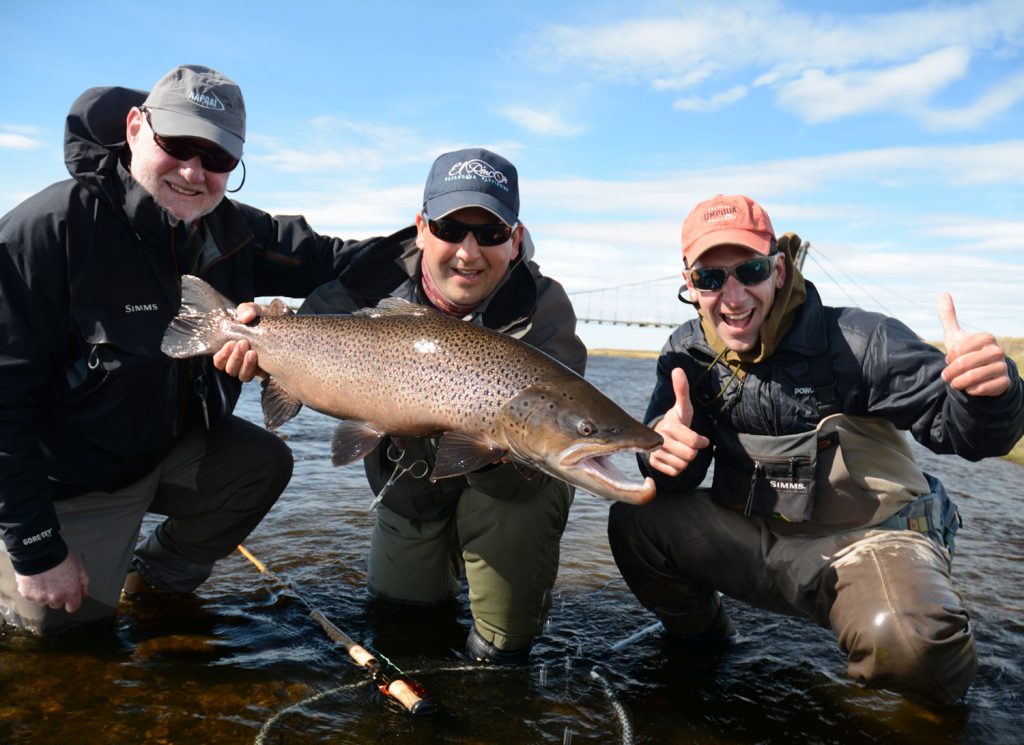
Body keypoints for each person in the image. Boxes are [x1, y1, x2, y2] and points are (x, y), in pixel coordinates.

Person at [0, 64, 378, 635]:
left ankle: (153, 582)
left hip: (164, 450)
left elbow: (354, 262)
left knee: (264, 462)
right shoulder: (47, 232)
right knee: (55, 640)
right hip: (67, 483)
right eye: (177, 145)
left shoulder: (237, 232)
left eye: (218, 159)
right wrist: (36, 550)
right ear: (134, 129)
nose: (193, 171)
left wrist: (449, 242)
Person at [607, 194, 1024, 707]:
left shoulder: (861, 341)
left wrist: (991, 395)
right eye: (710, 279)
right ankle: (707, 648)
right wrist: (662, 457)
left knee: (911, 649)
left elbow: (967, 436)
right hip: (761, 543)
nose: (732, 297)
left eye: (750, 271)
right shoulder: (685, 354)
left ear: (779, 270)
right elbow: (672, 479)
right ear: (690, 284)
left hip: (870, 542)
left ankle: (940, 707)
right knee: (636, 522)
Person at [218, 147, 586, 663]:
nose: (468, 251)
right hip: (410, 483)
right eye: (451, 229)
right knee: (399, 621)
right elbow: (301, 340)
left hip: (505, 490)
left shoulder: (542, 306)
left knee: (507, 626)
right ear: (421, 228)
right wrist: (261, 342)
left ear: (516, 239)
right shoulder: (368, 279)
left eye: (492, 234)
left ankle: (499, 651)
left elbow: (557, 429)